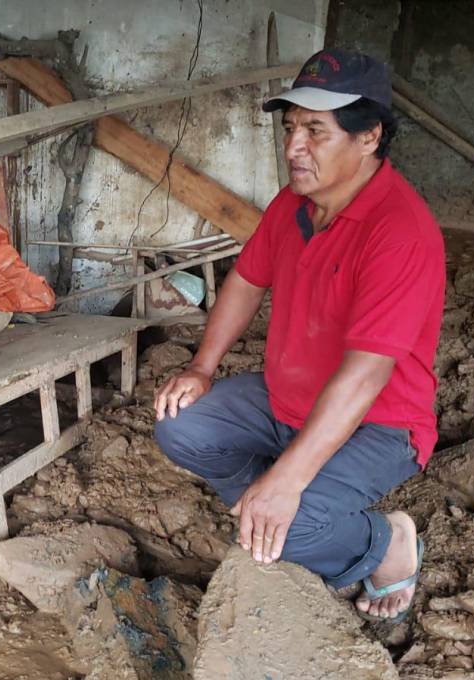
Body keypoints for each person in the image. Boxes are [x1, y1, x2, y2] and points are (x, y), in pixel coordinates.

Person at [153, 49, 445, 622]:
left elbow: (365, 376)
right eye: (289, 129)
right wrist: (202, 369)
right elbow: (245, 280)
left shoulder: (400, 232)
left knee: (287, 533)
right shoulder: (294, 204)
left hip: (380, 424)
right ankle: (274, 508)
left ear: (369, 136)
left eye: (316, 130)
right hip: (287, 400)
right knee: (181, 425)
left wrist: (288, 481)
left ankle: (386, 545)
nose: (293, 149)